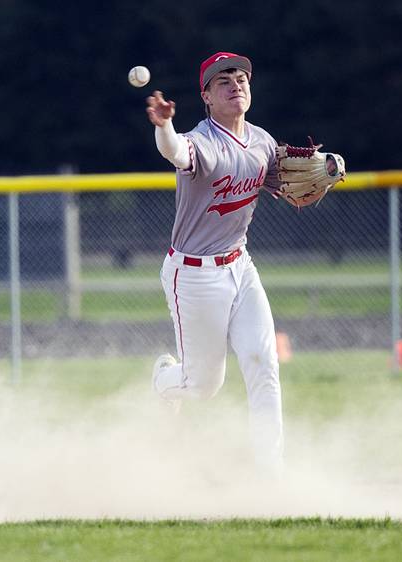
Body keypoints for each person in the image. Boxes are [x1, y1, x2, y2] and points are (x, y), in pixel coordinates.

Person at [147, 52, 297, 475]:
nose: (236, 85)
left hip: (240, 266)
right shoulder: (203, 142)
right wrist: (164, 126)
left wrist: (321, 170)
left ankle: (272, 475)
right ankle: (164, 380)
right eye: (223, 81)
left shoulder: (263, 142)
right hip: (193, 276)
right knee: (203, 387)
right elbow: (177, 153)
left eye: (242, 78)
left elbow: (286, 177)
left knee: (262, 362)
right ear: (207, 96)